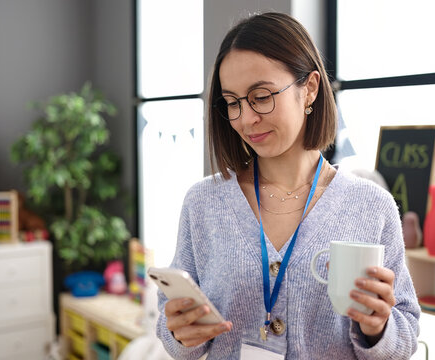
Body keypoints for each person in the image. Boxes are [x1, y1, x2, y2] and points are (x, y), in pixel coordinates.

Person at [156, 12, 420, 359]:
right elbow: (170, 323)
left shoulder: (372, 206)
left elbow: (406, 333)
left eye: (261, 96)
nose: (246, 119)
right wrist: (178, 331)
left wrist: (378, 327)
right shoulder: (203, 203)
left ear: (309, 89)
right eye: (232, 103)